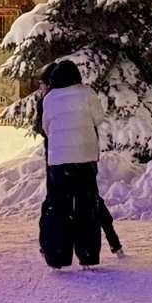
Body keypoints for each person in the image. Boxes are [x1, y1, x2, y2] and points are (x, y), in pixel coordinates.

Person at [37, 59, 107, 270]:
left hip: (59, 161)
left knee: (59, 208)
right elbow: (99, 118)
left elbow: (46, 126)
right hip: (85, 158)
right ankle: (88, 256)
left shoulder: (50, 98)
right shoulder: (87, 93)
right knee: (87, 207)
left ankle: (58, 257)